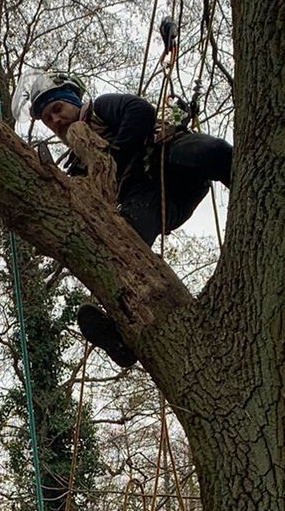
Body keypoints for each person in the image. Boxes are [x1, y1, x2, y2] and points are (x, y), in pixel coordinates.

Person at [21, 71, 232, 366]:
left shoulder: (101, 109)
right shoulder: (78, 163)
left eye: (57, 109)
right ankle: (122, 332)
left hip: (165, 158)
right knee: (127, 244)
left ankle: (245, 177)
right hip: (151, 200)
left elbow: (140, 111)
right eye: (47, 119)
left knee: (214, 153)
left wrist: (116, 155)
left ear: (72, 101)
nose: (55, 121)